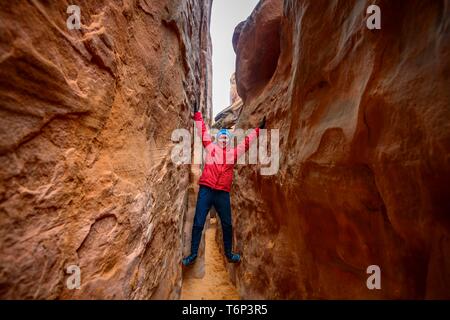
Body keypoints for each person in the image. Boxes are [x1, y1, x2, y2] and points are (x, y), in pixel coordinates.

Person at [182, 101, 266, 266]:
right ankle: (192, 255)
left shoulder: (234, 154)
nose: (223, 139)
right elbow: (203, 132)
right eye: (221, 136)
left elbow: (246, 143)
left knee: (227, 224)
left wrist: (259, 130)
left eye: (226, 137)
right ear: (217, 138)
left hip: (222, 193)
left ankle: (229, 254)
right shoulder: (211, 147)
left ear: (228, 140)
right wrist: (196, 114)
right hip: (206, 189)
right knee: (198, 223)